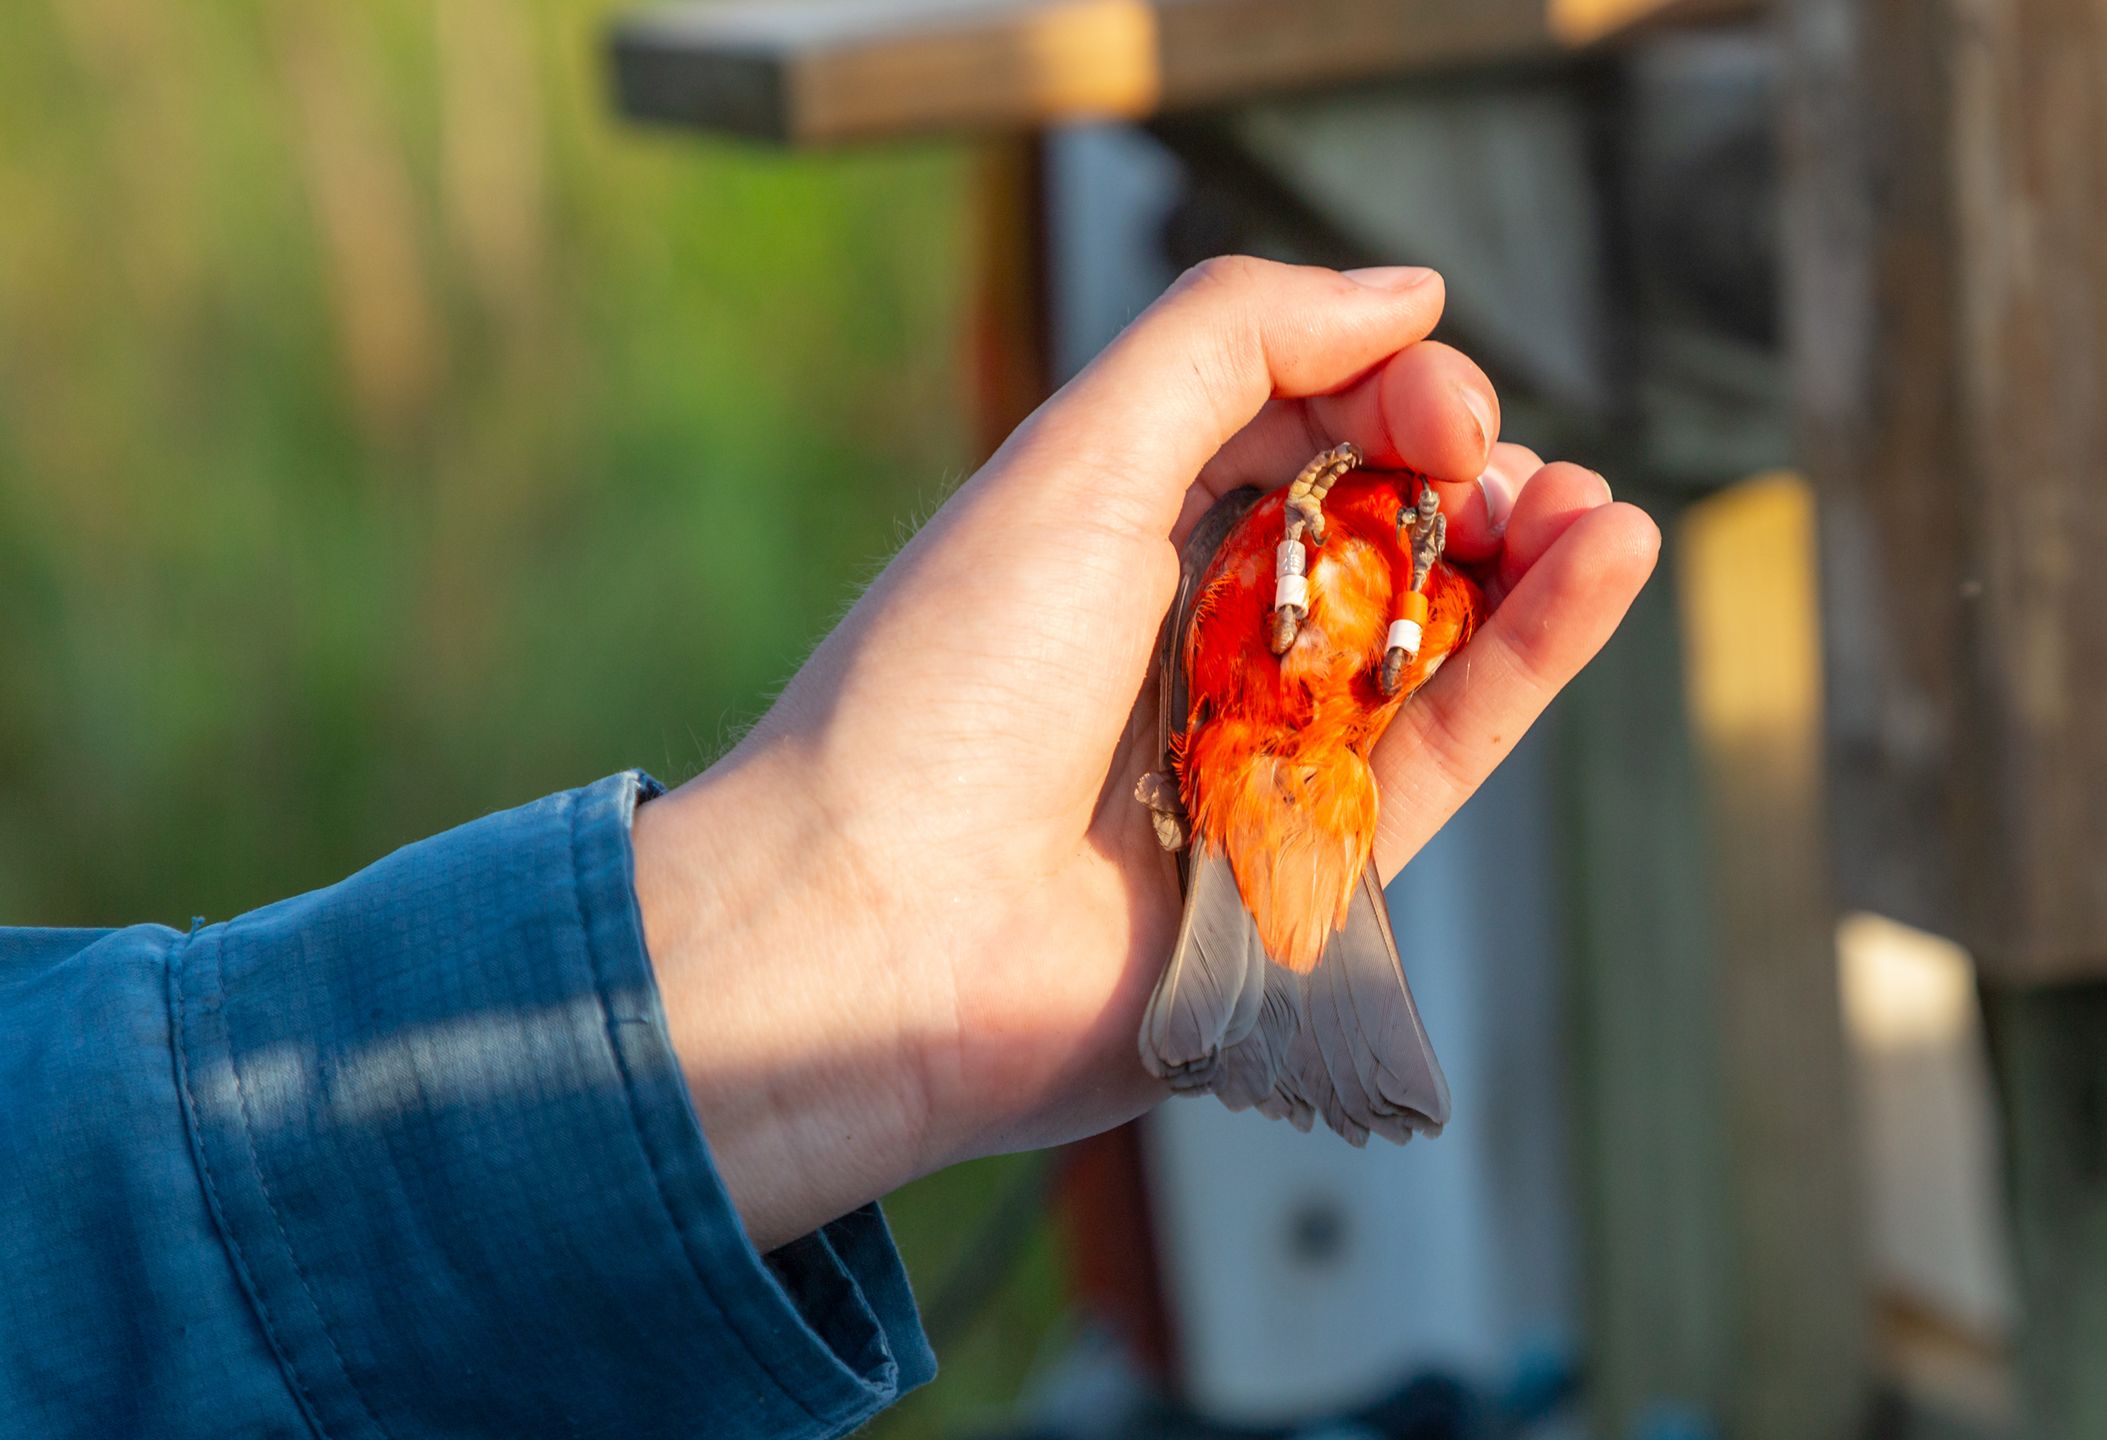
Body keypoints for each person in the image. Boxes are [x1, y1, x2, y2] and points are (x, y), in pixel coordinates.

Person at [0, 259, 1656, 1438]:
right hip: (1237, 761)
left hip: (1283, 779)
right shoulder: (1292, 553)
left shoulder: (1355, 549)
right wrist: (841, 926)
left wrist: (826, 928)